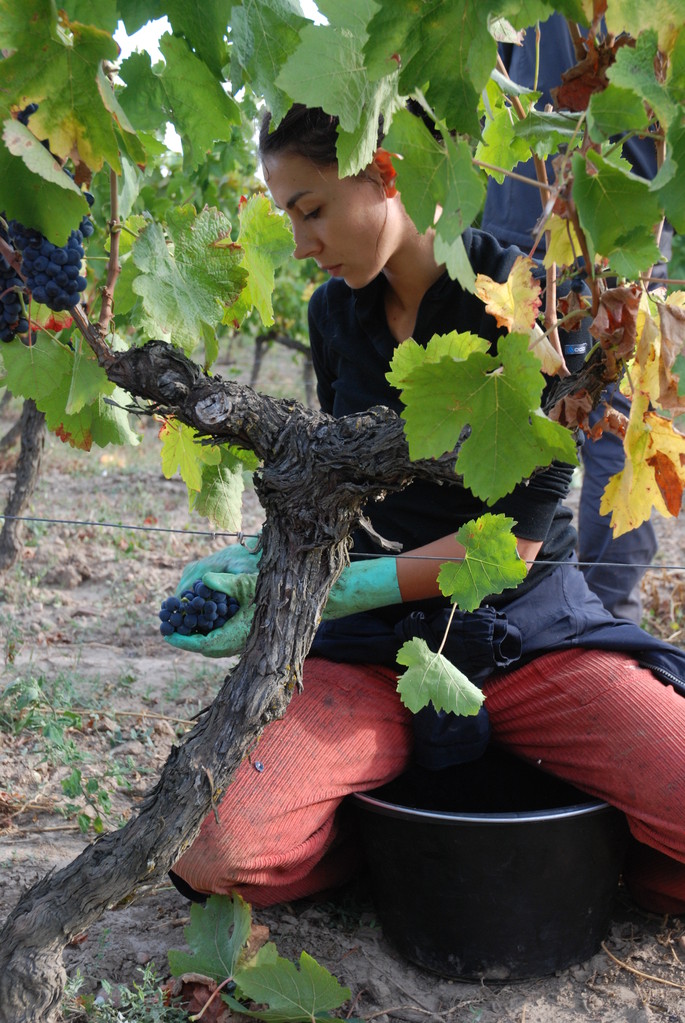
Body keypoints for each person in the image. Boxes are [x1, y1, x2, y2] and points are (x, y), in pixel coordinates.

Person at [165, 103, 685, 916]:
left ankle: (591, 840)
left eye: (311, 210)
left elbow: (508, 547)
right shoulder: (333, 315)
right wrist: (268, 559)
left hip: (524, 637)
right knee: (211, 851)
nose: (301, 245)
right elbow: (337, 479)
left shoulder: (530, 305)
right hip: (374, 652)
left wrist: (349, 585)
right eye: (288, 218)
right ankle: (375, 838)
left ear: (387, 174)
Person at [480, 12, 670, 624]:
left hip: (517, 229)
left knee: (517, 419)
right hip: (618, 235)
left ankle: (514, 602)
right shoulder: (653, 17)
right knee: (618, 430)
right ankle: (601, 613)